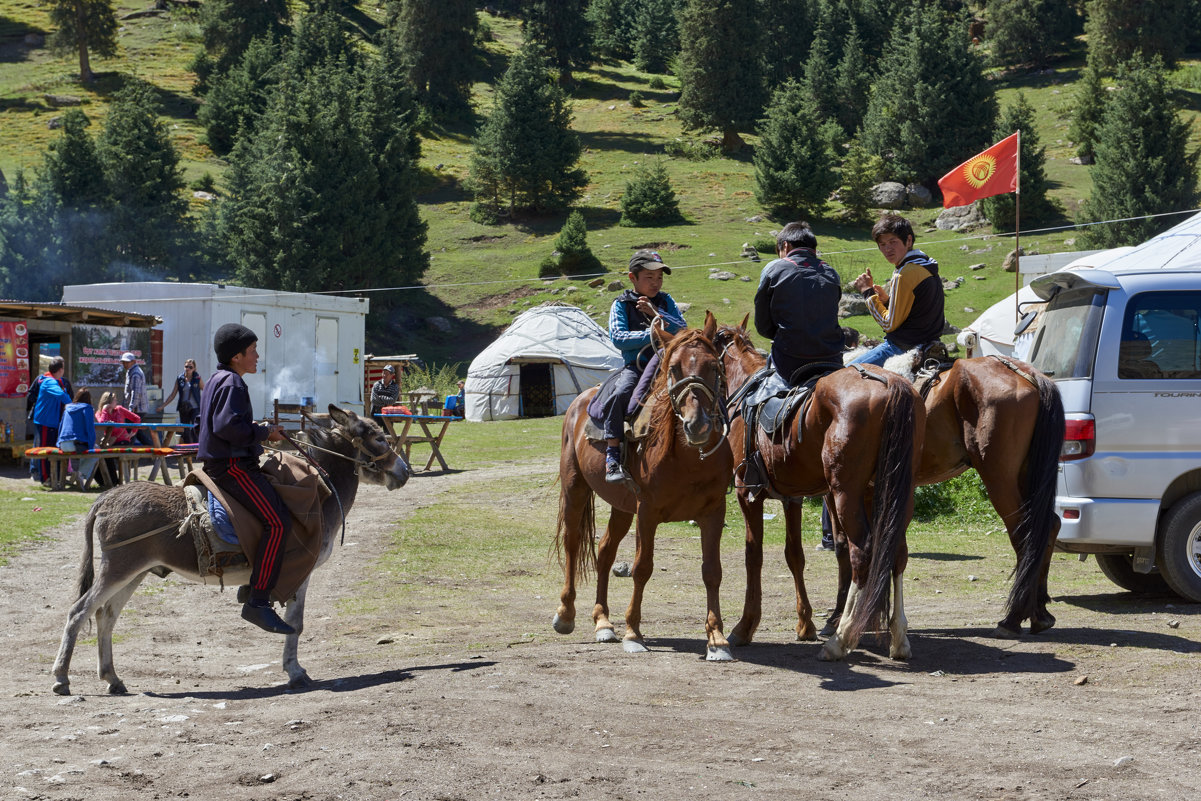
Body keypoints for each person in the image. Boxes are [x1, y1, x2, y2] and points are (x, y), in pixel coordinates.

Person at [198, 323, 294, 635]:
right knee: (279, 522)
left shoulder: (218, 379)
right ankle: (259, 600)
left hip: (223, 463)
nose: (257, 356)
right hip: (232, 467)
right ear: (237, 356)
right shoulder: (233, 384)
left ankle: (252, 583)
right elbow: (227, 428)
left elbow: (229, 424)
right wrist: (265, 431)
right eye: (252, 351)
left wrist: (258, 428)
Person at [602, 249, 687, 483]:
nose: (656, 283)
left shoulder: (665, 301)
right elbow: (618, 337)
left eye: (659, 277)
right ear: (633, 278)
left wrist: (656, 313)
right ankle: (612, 457)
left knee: (701, 390)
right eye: (649, 278)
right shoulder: (621, 303)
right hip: (637, 367)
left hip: (667, 365)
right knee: (619, 394)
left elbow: (683, 328)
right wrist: (653, 332)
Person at [754, 221, 845, 384]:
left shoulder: (774, 269)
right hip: (833, 358)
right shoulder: (832, 272)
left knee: (757, 393)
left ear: (786, 246)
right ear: (814, 250)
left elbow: (763, 325)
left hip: (790, 360)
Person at [849, 214, 947, 367]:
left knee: (845, 372)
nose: (887, 249)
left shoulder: (904, 273)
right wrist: (888, 301)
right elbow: (915, 311)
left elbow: (888, 325)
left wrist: (867, 292)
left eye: (892, 242)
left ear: (908, 241)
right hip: (930, 343)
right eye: (882, 244)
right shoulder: (925, 264)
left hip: (902, 347)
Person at [31, 361, 70, 485]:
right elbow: (62, 396)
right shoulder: (49, 381)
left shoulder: (57, 381)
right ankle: (45, 478)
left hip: (53, 422)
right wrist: (72, 404)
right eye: (63, 368)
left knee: (53, 450)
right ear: (60, 370)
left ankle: (55, 477)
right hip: (45, 422)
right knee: (44, 451)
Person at [96, 390, 141, 484]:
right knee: (104, 456)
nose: (116, 402)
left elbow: (137, 418)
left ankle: (116, 481)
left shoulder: (120, 409)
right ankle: (110, 481)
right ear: (108, 402)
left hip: (122, 440)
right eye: (114, 400)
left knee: (110, 454)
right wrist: (105, 410)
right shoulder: (100, 412)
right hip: (109, 442)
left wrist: (132, 433)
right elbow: (101, 423)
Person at [158, 358, 204, 443]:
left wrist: (206, 405)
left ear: (194, 368)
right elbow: (173, 395)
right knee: (185, 431)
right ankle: (187, 452)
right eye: (186, 366)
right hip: (184, 408)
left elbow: (205, 390)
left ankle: (196, 452)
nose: (188, 369)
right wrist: (162, 406)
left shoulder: (197, 378)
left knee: (195, 429)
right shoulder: (180, 378)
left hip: (195, 408)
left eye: (190, 367)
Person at [58, 388, 98, 484]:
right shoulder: (87, 408)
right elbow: (90, 429)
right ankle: (80, 473)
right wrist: (91, 444)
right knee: (96, 450)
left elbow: (60, 426)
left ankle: (74, 476)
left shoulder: (67, 408)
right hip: (76, 444)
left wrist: (58, 443)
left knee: (84, 450)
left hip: (63, 444)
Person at [120, 352, 152, 447]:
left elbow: (135, 392)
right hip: (136, 408)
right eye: (124, 362)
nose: (125, 364)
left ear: (134, 361)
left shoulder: (135, 373)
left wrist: (131, 409)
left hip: (136, 409)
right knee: (137, 433)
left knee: (131, 432)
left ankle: (128, 455)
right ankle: (154, 449)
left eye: (127, 362)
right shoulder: (131, 371)